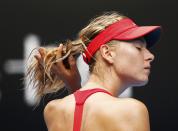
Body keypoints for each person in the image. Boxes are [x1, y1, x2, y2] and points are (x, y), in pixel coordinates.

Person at [26, 11, 161, 131]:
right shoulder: (132, 111)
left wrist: (74, 88)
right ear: (107, 53)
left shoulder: (54, 111)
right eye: (138, 48)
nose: (150, 56)